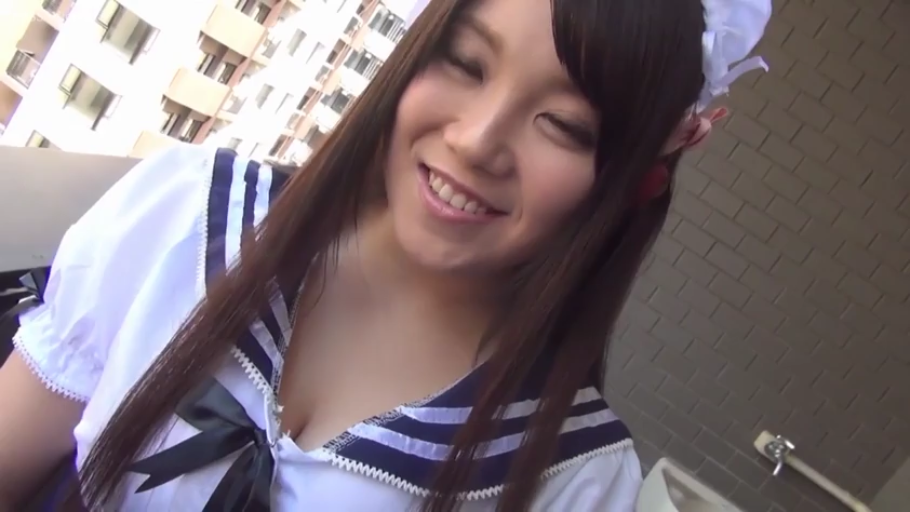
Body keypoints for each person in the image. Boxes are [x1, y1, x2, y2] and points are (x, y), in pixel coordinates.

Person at [0, 0, 771, 509]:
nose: (476, 140)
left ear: (634, 172)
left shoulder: (571, 480)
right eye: (465, 63)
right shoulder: (190, 218)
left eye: (564, 124)